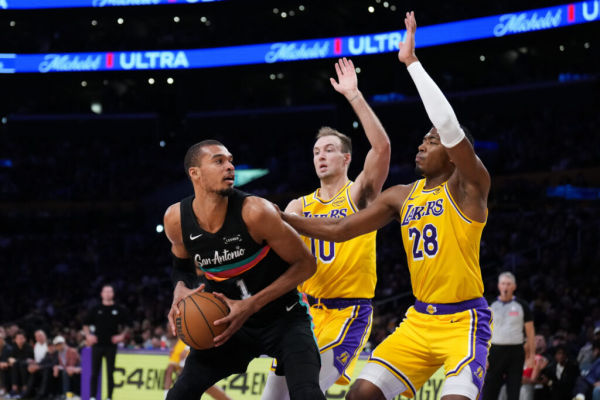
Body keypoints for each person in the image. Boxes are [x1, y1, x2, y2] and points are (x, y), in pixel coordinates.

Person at [281, 12, 492, 400]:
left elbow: (449, 126)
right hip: (418, 320)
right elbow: (340, 229)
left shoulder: (470, 187)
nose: (422, 145)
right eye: (422, 140)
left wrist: (411, 63)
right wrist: (278, 216)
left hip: (464, 320)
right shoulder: (400, 195)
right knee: (360, 394)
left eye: (432, 141)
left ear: (453, 154)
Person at [262, 57, 391, 399]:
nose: (321, 155)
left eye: (329, 150)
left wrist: (354, 96)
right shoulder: (299, 206)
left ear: (346, 158)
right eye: (317, 151)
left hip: (347, 313)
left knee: (304, 391)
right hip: (303, 313)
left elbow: (382, 148)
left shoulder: (358, 195)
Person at [163, 140, 325, 400]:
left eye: (230, 160)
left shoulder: (256, 211)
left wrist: (252, 304)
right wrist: (180, 288)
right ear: (195, 173)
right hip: (226, 326)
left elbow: (306, 264)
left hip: (283, 319)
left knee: (307, 393)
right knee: (179, 395)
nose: (229, 167)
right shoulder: (176, 219)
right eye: (219, 161)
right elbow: (181, 267)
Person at [481, 272, 535, 400]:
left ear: (514, 286)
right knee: (489, 391)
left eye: (509, 284)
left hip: (516, 352)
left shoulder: (522, 305)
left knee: (513, 391)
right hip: (495, 351)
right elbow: (483, 331)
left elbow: (530, 332)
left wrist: (531, 356)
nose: (506, 287)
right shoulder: (490, 305)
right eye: (503, 283)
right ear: (499, 286)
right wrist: (483, 356)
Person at [83, 284, 130, 400]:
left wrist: (122, 336)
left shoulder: (119, 309)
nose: (108, 294)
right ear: (101, 294)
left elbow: (129, 325)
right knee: (94, 372)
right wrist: (88, 336)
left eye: (110, 291)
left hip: (111, 345)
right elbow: (85, 324)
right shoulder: (96, 309)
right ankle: (93, 397)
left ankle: (109, 397)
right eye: (106, 291)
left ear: (113, 294)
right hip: (97, 345)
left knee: (110, 372)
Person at [163, 339, 231, 400]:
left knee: (209, 388)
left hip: (192, 344)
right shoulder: (180, 343)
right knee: (171, 370)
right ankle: (166, 395)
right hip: (184, 341)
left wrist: (186, 348)